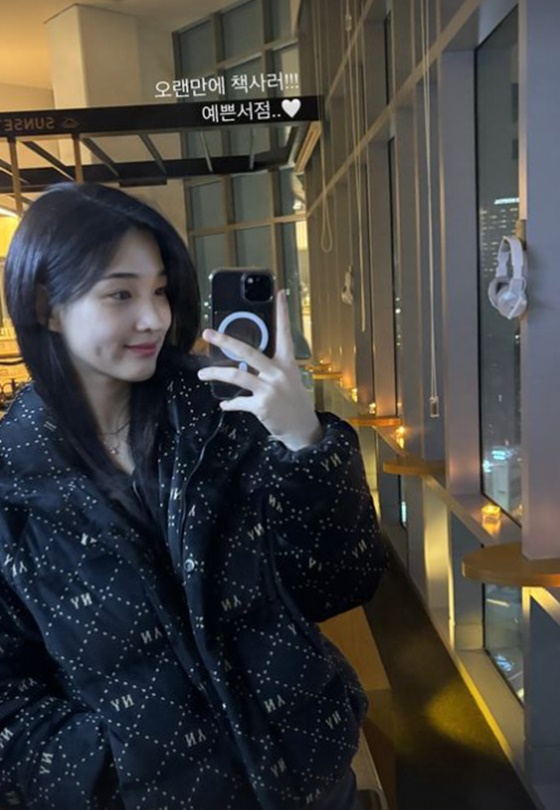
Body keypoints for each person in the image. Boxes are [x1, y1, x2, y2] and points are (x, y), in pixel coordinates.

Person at [0, 183, 387, 810]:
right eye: (121, 294)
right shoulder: (11, 483)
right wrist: (118, 763)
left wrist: (304, 440)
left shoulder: (223, 419)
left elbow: (338, 585)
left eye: (159, 290)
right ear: (47, 306)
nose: (154, 317)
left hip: (313, 782)